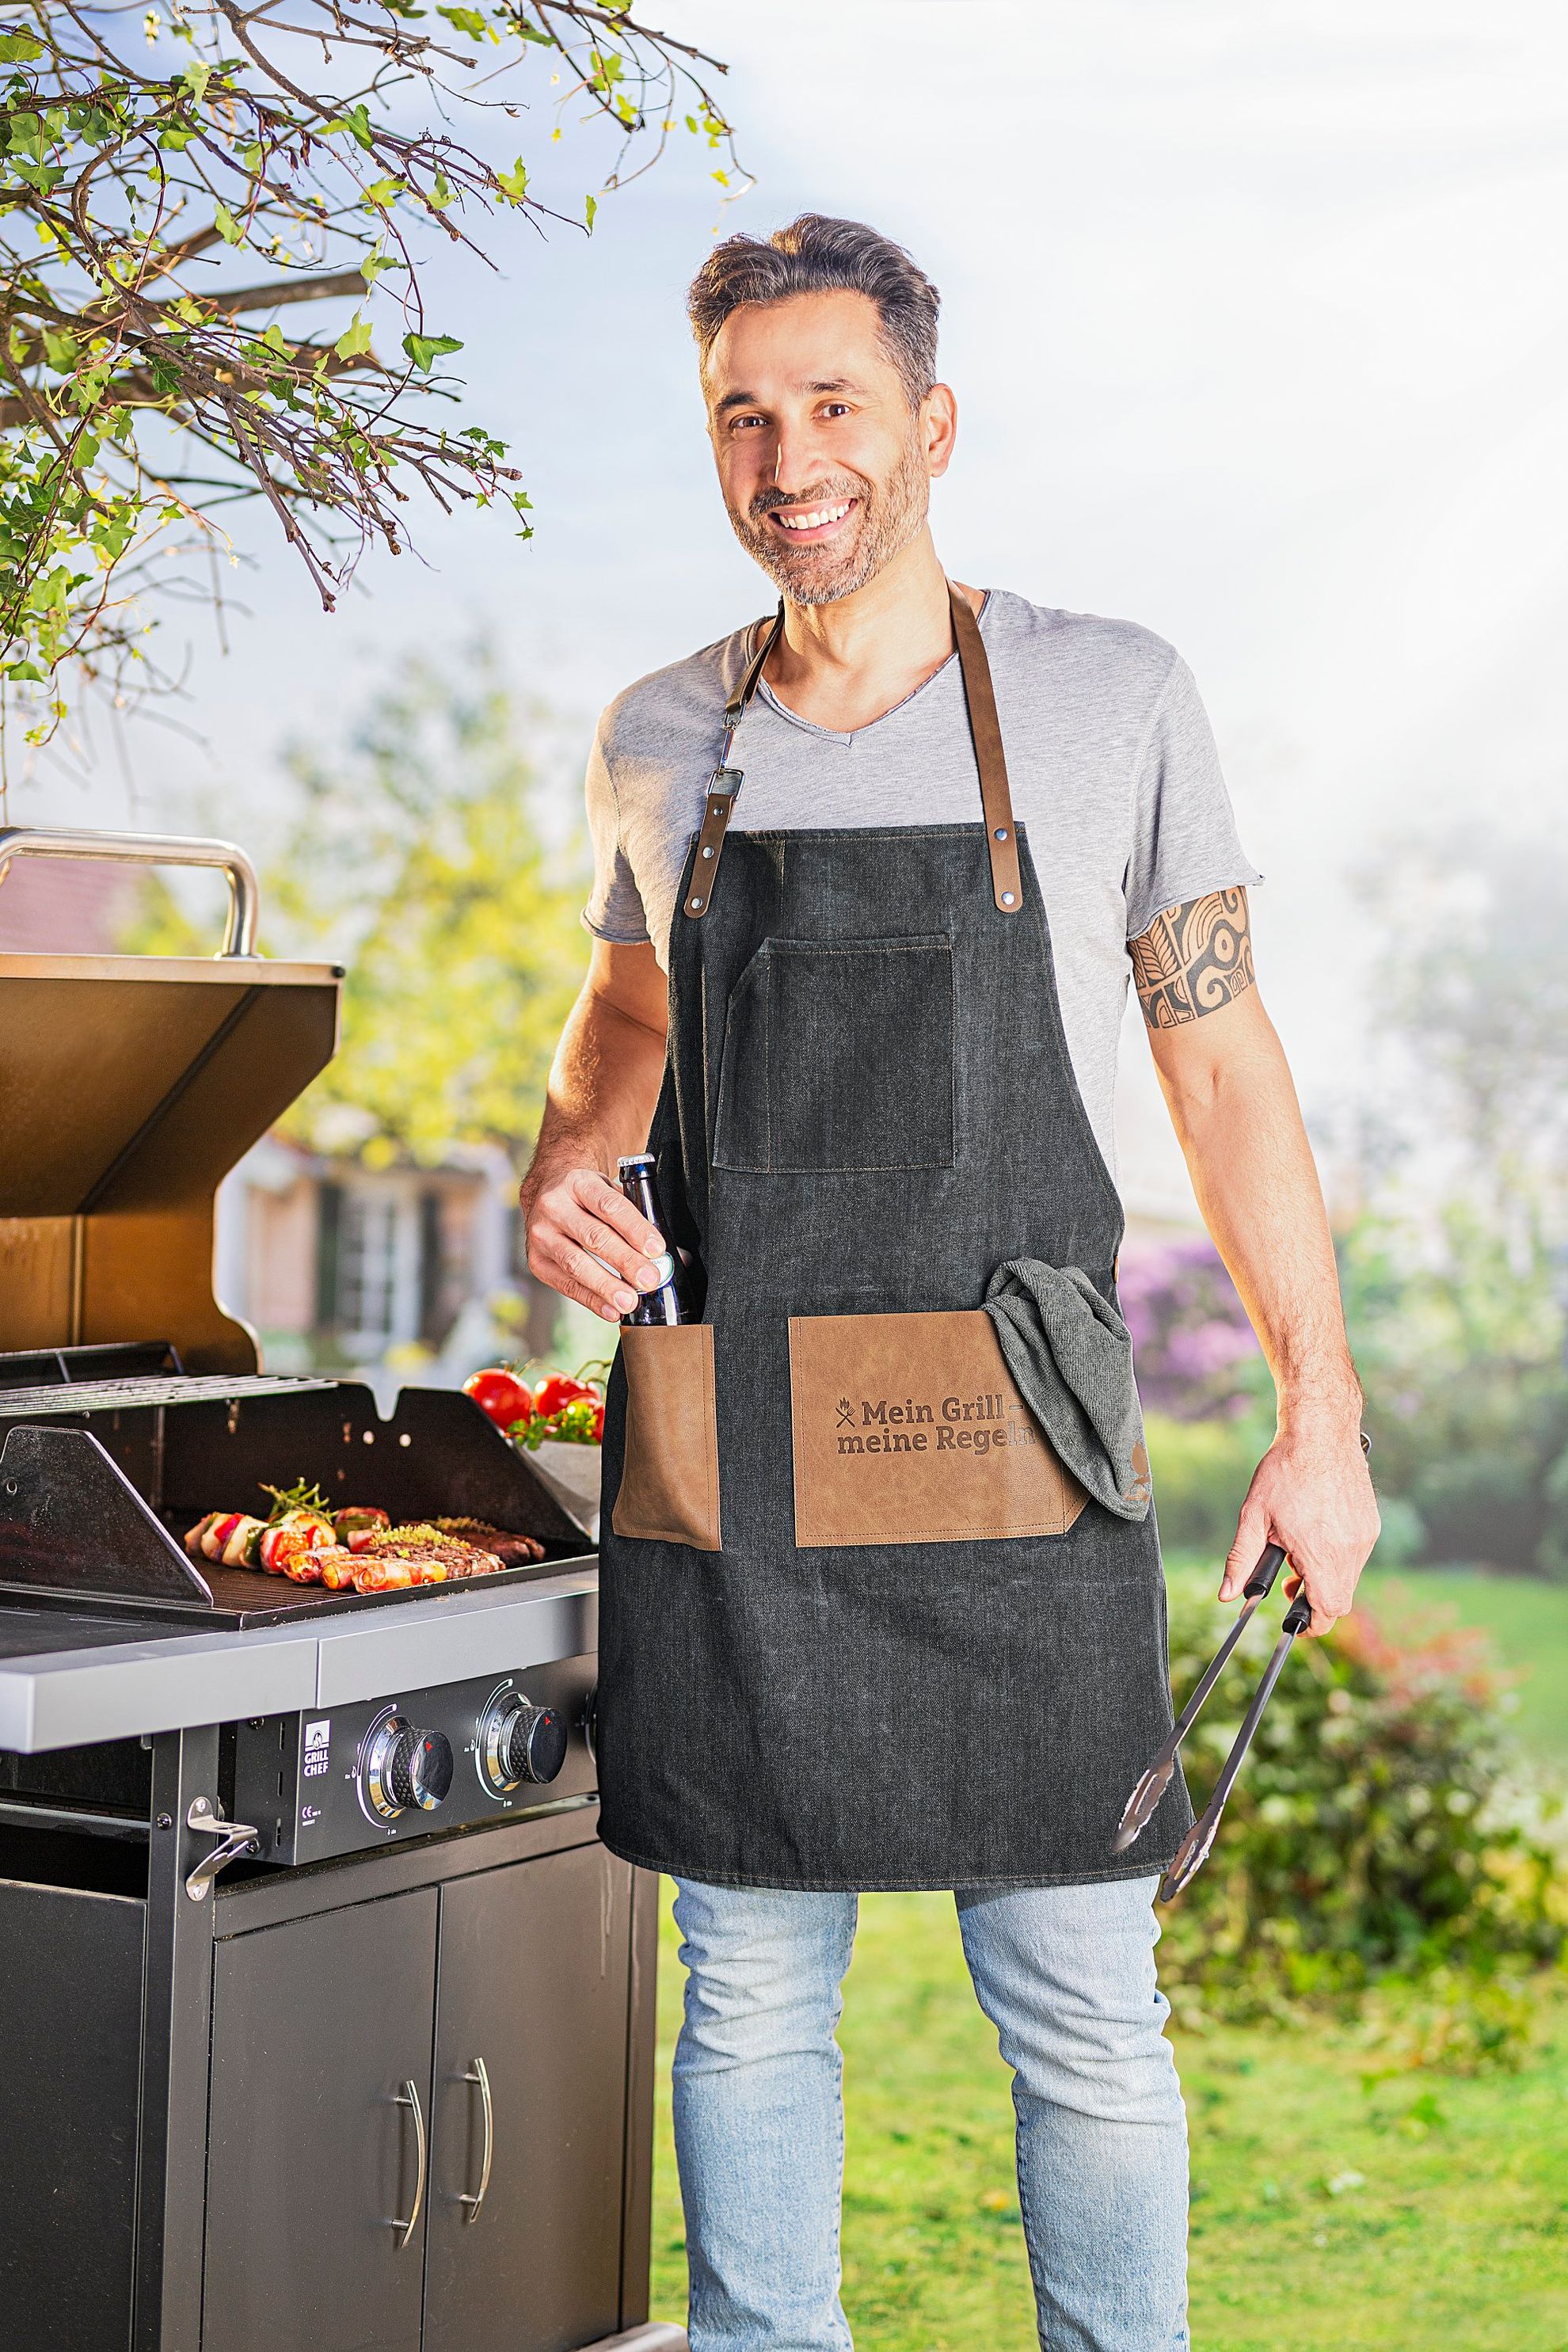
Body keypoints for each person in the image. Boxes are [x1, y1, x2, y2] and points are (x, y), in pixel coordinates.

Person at [522, 215, 1380, 2352]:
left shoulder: (1108, 696)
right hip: (739, 1455)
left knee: (1081, 2004)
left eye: (830, 405)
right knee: (743, 2003)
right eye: (742, 410)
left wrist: (1321, 1412)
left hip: (1017, 1439)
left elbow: (1217, 1059)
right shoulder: (657, 737)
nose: (785, 453)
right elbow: (617, 1027)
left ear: (930, 424)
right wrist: (557, 1165)